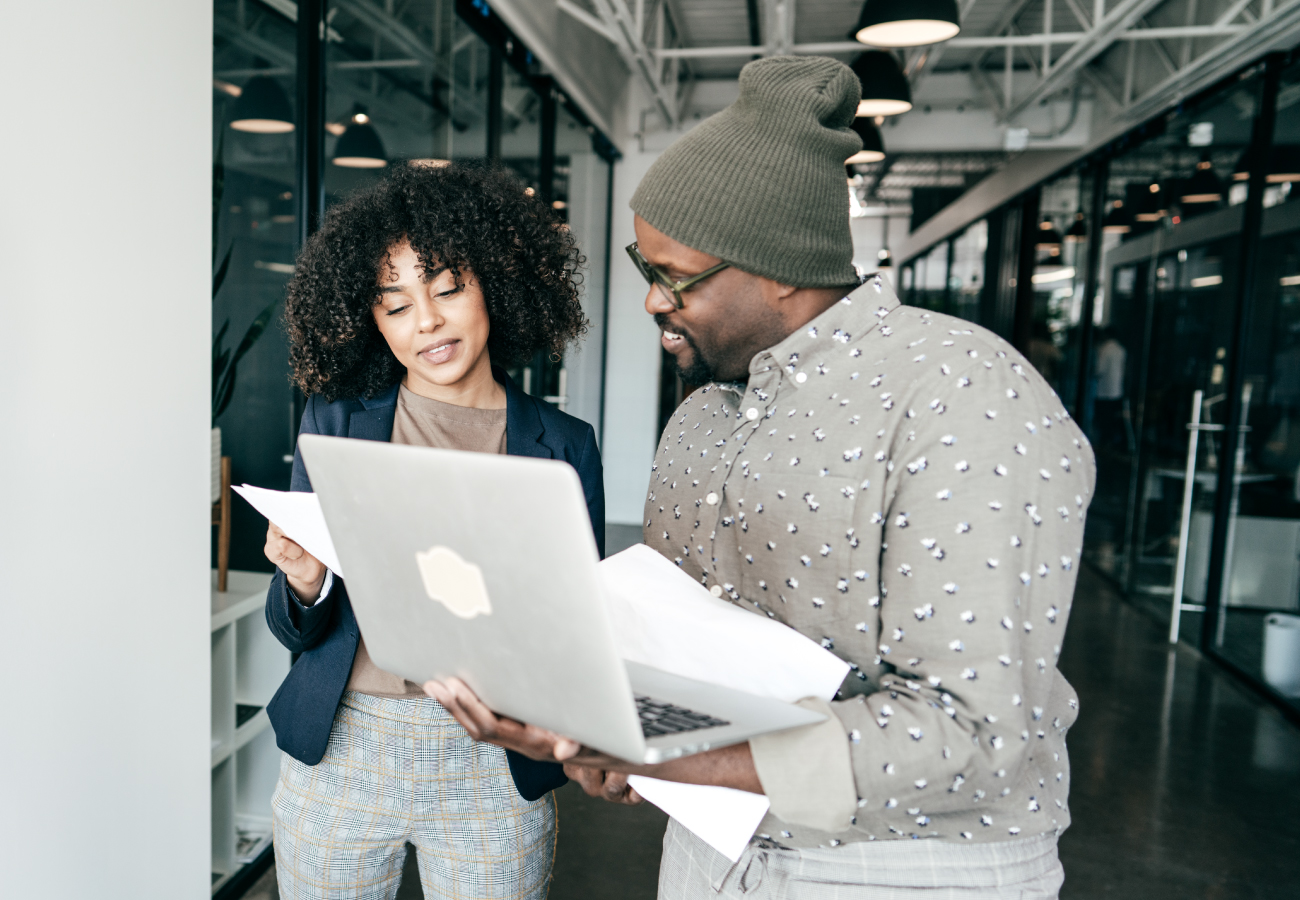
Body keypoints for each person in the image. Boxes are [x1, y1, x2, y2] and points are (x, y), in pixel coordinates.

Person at [424, 57, 1095, 899]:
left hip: (906, 870)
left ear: (780, 266)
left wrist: (670, 752)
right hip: (708, 847)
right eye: (646, 266)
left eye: (675, 277)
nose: (651, 302)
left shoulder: (963, 395)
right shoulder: (700, 420)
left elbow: (975, 731)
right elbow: (677, 664)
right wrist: (603, 743)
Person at [261, 161, 602, 900]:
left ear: (498, 284)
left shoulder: (564, 444)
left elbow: (579, 631)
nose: (427, 322)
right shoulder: (337, 421)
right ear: (369, 319)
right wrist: (305, 582)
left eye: (448, 288)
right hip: (344, 748)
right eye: (395, 305)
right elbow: (293, 629)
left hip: (492, 759)